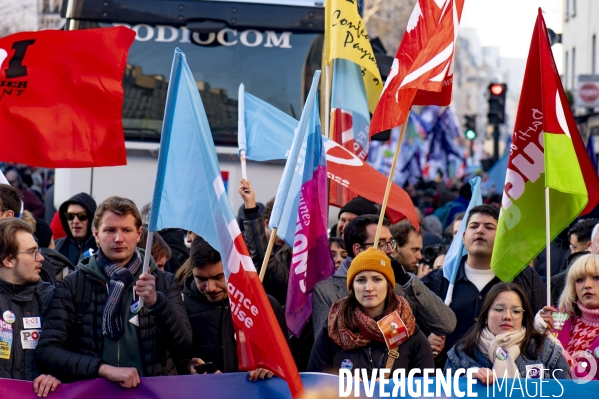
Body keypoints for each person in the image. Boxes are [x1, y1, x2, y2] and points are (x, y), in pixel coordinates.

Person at [36, 196, 192, 387]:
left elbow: (183, 344)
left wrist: (157, 303)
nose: (119, 239)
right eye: (110, 230)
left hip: (152, 393)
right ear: (96, 235)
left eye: (126, 230)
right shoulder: (74, 284)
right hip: (93, 392)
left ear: (139, 234)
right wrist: (102, 369)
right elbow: (48, 350)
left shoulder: (164, 282)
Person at [422, 205, 546, 368]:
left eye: (489, 227)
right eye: (474, 226)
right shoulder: (440, 280)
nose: (480, 231)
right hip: (451, 382)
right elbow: (413, 329)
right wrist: (426, 340)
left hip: (511, 381)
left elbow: (541, 323)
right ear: (463, 236)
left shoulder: (523, 277)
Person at [312, 215, 456, 342]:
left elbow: (446, 324)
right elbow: (324, 347)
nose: (390, 250)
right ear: (358, 250)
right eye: (381, 243)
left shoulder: (402, 282)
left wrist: (407, 282)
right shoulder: (326, 291)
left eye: (390, 242)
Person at [307, 248, 434, 374]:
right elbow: (314, 385)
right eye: (361, 280)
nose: (369, 288)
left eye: (377, 279)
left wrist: (393, 389)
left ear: (388, 284)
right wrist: (341, 388)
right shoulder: (333, 328)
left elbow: (426, 389)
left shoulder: (408, 330)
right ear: (352, 286)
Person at [177, 237, 286, 381]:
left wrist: (271, 370)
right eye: (201, 279)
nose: (210, 288)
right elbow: (173, 359)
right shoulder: (181, 307)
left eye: (218, 277)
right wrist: (188, 366)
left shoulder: (267, 307)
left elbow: (288, 363)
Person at [446, 283, 569, 383]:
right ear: (485, 316)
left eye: (516, 311)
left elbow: (568, 394)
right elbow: (446, 393)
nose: (508, 316)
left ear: (523, 316)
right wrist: (468, 383)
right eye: (499, 309)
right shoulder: (460, 354)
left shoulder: (546, 351)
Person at [0, 218, 61, 396]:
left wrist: (58, 375)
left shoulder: (53, 298)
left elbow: (71, 352)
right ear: (8, 260)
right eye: (32, 252)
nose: (41, 258)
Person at [536, 254, 599, 380]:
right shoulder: (554, 318)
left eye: (596, 277)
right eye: (580, 279)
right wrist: (534, 334)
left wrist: (561, 356)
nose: (587, 285)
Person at [54, 193, 97, 267]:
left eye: (82, 215)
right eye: (70, 216)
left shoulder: (101, 249)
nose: (75, 221)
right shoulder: (56, 247)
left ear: (92, 218)